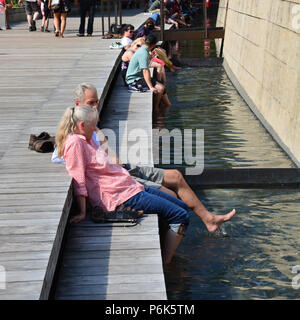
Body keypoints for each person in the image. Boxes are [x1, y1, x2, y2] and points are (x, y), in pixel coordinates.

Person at [52, 83, 236, 234]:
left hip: (120, 170)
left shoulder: (92, 127)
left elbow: (109, 151)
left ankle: (207, 219)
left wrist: (113, 159)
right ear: (78, 104)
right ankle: (182, 234)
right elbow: (69, 161)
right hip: (115, 180)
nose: (95, 107)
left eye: (96, 102)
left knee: (176, 177)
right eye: (90, 103)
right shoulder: (79, 136)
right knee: (171, 195)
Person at [56, 105, 191, 263]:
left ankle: (168, 249)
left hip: (129, 187)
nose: (95, 130)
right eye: (93, 125)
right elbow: (78, 179)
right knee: (180, 216)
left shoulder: (85, 139)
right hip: (118, 196)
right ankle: (167, 263)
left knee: (182, 207)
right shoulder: (76, 144)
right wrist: (82, 211)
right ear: (82, 125)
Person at [125, 34, 166, 110]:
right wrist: (151, 87)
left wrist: (151, 57)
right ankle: (156, 108)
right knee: (160, 88)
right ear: (154, 44)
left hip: (139, 77)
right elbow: (145, 70)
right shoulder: (143, 52)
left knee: (162, 87)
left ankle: (165, 105)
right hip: (134, 80)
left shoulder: (144, 49)